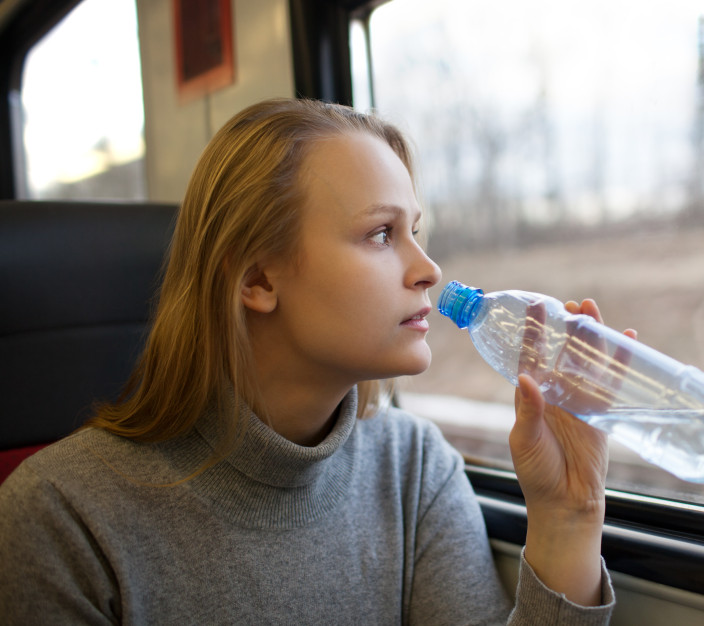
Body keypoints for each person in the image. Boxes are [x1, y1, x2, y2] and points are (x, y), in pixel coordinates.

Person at [0, 98, 619, 624]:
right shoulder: (60, 518)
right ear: (258, 278)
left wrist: (569, 512)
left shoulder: (415, 468)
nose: (428, 269)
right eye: (381, 233)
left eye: (416, 231)